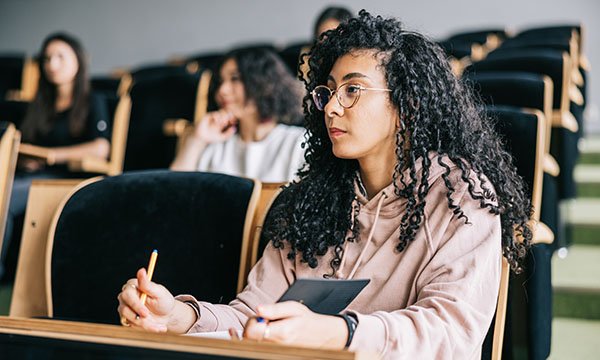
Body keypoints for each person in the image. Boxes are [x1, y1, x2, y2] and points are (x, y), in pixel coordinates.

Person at [118, 11, 532, 359]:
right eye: (329, 91)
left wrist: (340, 334)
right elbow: (253, 316)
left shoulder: (461, 197)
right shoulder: (309, 200)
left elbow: (451, 335)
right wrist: (179, 318)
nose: (332, 107)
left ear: (408, 103)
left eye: (353, 90)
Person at [1, 32, 109, 281]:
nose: (52, 64)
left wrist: (52, 156)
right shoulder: (40, 104)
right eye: (47, 58)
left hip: (66, 176)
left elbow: (100, 147)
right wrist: (29, 159)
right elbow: (29, 143)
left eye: (60, 57)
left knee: (3, 196)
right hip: (31, 174)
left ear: (78, 60)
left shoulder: (92, 100)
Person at [170, 47, 305, 183]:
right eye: (220, 81)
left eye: (235, 79)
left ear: (265, 83)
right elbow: (174, 192)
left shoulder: (299, 143)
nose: (222, 90)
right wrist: (197, 139)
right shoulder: (215, 147)